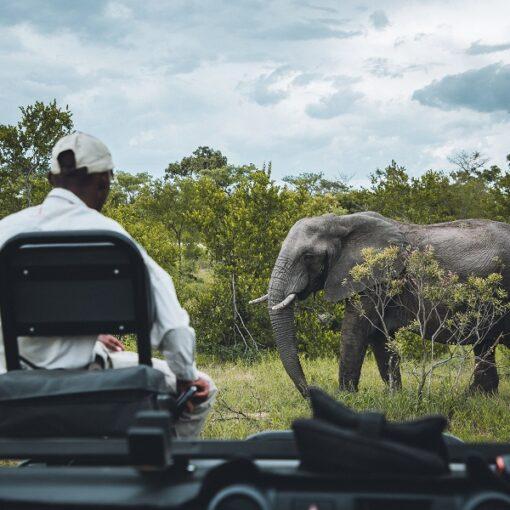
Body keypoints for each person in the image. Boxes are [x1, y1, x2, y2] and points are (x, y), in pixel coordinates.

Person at [0, 132, 216, 438]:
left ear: (51, 179)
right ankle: (160, 475)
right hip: (85, 385)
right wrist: (185, 377)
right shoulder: (110, 238)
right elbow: (174, 327)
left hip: (11, 389)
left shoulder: (7, 231)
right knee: (203, 388)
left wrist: (82, 331)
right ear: (103, 183)